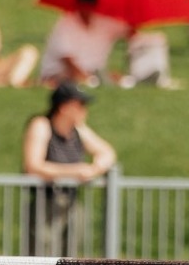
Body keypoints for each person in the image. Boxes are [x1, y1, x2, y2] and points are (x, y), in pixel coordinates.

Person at [22, 80, 117, 256]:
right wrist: (76, 171)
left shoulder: (78, 129)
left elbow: (107, 152)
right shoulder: (41, 125)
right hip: (47, 204)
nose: (84, 110)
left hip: (71, 203)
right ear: (64, 107)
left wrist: (94, 169)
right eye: (80, 104)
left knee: (70, 259)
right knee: (42, 256)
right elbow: (33, 166)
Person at [40, 0, 129, 86]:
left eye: (90, 5)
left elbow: (128, 31)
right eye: (84, 4)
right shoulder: (65, 24)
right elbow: (66, 59)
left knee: (116, 78)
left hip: (93, 73)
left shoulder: (103, 22)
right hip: (59, 74)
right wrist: (85, 78)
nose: (87, 9)